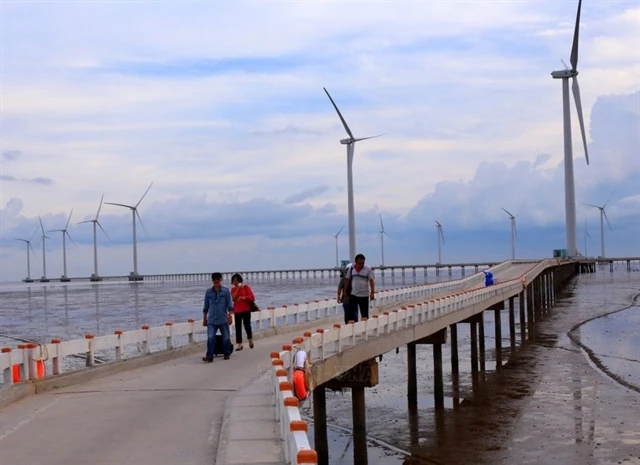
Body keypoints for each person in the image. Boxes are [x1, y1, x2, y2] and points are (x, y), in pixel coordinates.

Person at [202, 272, 233, 362]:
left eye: (218, 279)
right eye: (214, 279)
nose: (216, 280)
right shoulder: (208, 292)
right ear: (212, 280)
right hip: (211, 320)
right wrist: (205, 318)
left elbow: (230, 305)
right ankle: (209, 356)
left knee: (226, 338)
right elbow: (206, 306)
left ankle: (226, 353)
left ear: (221, 280)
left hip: (223, 319)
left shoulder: (226, 291)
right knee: (210, 338)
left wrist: (230, 316)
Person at [344, 254, 375, 322]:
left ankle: (365, 330)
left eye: (363, 263)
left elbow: (371, 281)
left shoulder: (368, 269)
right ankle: (352, 330)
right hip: (353, 294)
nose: (361, 265)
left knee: (364, 315)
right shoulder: (351, 268)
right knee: (351, 315)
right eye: (360, 263)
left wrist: (372, 292)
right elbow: (347, 280)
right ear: (356, 262)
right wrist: (345, 291)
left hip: (364, 295)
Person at [230, 272, 255, 351]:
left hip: (246, 309)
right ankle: (239, 344)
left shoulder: (246, 287)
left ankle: (250, 339)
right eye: (234, 281)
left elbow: (252, 297)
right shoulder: (233, 289)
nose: (235, 282)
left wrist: (243, 298)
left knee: (247, 325)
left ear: (240, 280)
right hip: (237, 310)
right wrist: (237, 288)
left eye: (236, 280)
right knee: (238, 327)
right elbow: (233, 298)